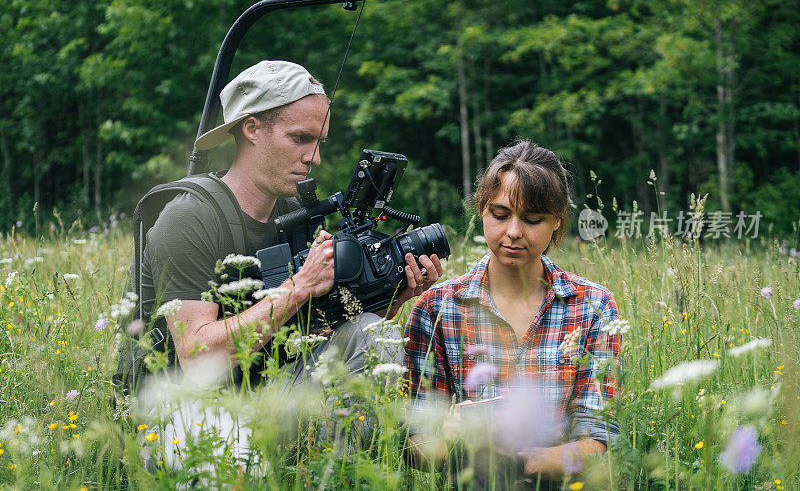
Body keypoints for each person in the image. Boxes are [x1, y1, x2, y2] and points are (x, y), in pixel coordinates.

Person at [133, 61, 442, 461]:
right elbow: (197, 357)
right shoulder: (188, 218)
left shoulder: (294, 213)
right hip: (183, 419)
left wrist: (393, 296)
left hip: (268, 397)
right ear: (252, 128)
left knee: (373, 334)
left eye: (319, 142)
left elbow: (326, 333)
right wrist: (298, 288)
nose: (313, 158)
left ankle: (330, 477)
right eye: (300, 138)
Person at [404, 141, 621, 487]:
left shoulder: (592, 306)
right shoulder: (437, 308)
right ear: (482, 210)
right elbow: (415, 444)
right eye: (501, 215)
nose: (514, 232)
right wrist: (451, 438)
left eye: (532, 219)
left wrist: (522, 461)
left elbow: (596, 441)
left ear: (556, 223)